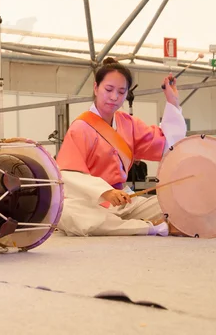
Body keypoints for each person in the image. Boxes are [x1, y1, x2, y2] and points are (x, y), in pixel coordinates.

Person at [55, 57, 187, 237]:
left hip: (125, 201)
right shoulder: (80, 127)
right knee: (69, 213)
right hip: (92, 203)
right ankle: (151, 227)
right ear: (96, 88)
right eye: (108, 89)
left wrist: (172, 101)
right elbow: (68, 174)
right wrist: (106, 191)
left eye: (121, 91)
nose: (114, 97)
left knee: (176, 203)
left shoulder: (129, 124)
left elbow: (167, 145)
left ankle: (126, 224)